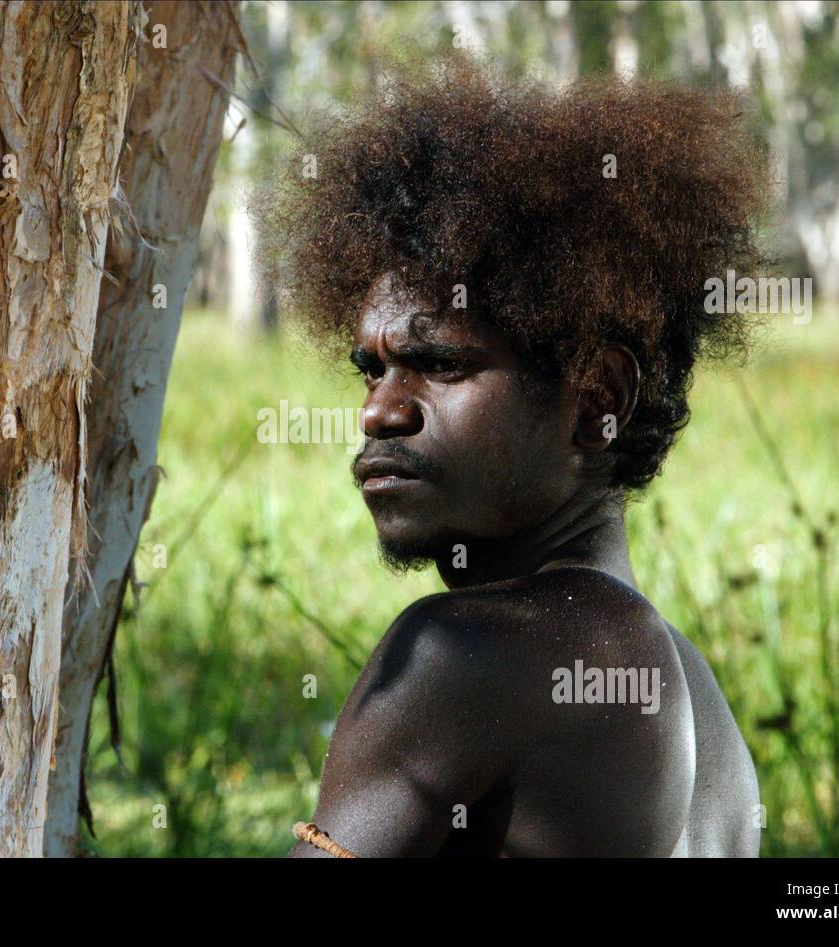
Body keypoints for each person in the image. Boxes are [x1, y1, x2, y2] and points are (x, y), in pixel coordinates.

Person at [260, 59, 770, 857]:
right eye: (372, 368)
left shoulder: (462, 655)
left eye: (444, 364)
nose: (379, 411)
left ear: (598, 398)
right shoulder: (709, 719)